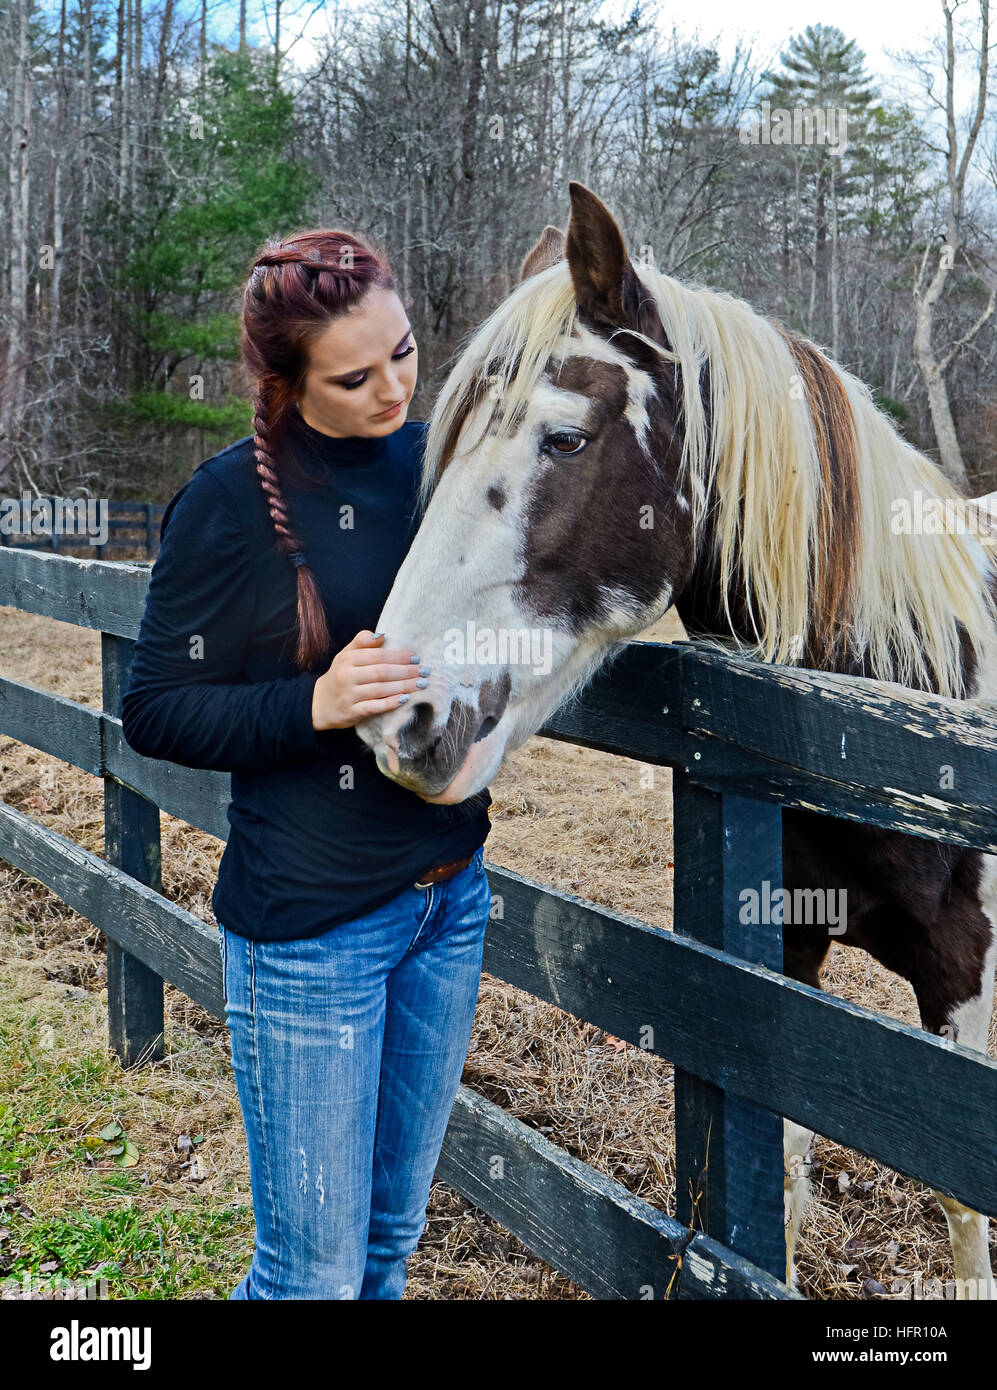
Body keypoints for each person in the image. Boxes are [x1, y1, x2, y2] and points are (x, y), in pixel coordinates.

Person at [121, 228, 494, 1299]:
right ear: (284, 381)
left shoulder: (436, 468)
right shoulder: (230, 502)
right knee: (310, 1276)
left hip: (448, 900)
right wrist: (317, 703)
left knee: (389, 1241)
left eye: (406, 354)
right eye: (354, 375)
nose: (394, 389)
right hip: (312, 933)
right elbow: (154, 709)